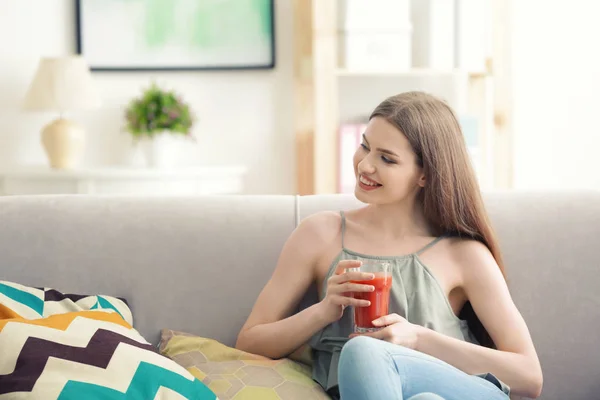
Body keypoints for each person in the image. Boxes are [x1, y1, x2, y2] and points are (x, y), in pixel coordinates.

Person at [235, 91, 543, 400]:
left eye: (387, 158)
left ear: (424, 175)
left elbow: (529, 377)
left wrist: (418, 339)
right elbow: (250, 341)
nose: (365, 165)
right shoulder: (320, 234)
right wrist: (323, 312)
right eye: (365, 146)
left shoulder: (464, 255)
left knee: (371, 356)